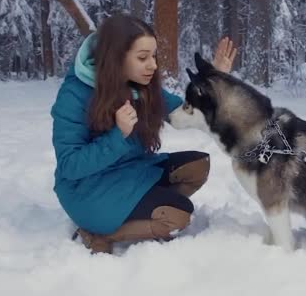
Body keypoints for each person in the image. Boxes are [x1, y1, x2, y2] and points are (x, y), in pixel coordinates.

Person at [50, 13, 237, 254]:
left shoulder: (140, 83)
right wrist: (118, 135)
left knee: (198, 165)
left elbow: (185, 113)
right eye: (142, 57)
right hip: (88, 191)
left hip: (130, 172)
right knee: (178, 216)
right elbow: (70, 165)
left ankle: (144, 209)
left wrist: (215, 80)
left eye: (153, 56)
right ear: (116, 58)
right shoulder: (74, 95)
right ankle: (100, 232)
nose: (153, 65)